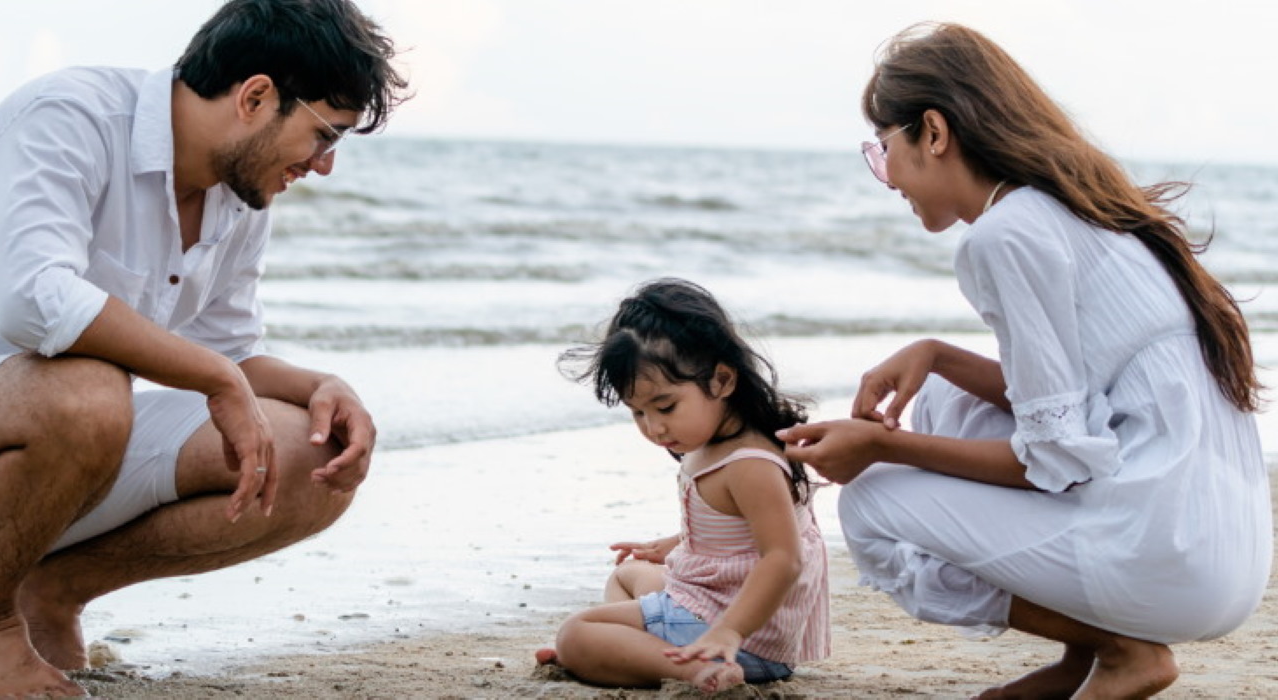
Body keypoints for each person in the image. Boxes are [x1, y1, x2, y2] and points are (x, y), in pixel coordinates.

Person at [0, 1, 408, 696]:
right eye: (323, 134)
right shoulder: (70, 115)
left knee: (312, 453)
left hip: (57, 460)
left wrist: (320, 388)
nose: (325, 165)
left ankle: (48, 594)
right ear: (255, 96)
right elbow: (33, 300)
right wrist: (214, 376)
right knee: (86, 385)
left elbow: (229, 352)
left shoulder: (238, 196)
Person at [775, 22, 1271, 700]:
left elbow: (1052, 466)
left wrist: (880, 449)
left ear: (934, 131)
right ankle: (1083, 660)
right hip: (1217, 558)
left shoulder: (1006, 235)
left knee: (871, 504)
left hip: (1164, 560)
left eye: (882, 148)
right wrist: (938, 355)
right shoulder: (1076, 211)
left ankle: (1121, 651)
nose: (885, 175)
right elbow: (1073, 409)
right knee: (950, 402)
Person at [539, 278, 831, 693]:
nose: (654, 428)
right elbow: (740, 531)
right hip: (723, 613)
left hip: (738, 637)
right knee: (630, 575)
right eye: (637, 413)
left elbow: (783, 558)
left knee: (575, 632)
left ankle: (692, 669)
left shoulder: (749, 463)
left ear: (722, 380)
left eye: (665, 407)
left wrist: (728, 632)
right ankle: (633, 654)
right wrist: (675, 543)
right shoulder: (715, 441)